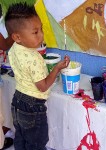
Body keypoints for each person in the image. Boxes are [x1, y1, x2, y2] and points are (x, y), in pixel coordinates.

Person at [5, 2, 70, 150]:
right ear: (17, 36)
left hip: (18, 101)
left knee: (20, 139)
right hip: (32, 107)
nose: (41, 35)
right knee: (36, 144)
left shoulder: (14, 49)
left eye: (41, 29)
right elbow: (43, 86)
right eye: (35, 32)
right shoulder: (33, 58)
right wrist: (57, 68)